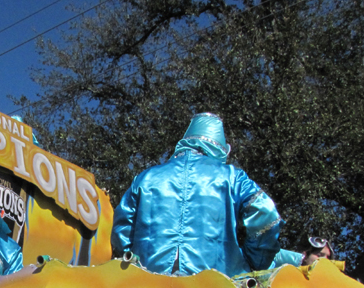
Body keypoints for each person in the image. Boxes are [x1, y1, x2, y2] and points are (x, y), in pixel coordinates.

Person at [111, 112, 282, 277]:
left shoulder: (146, 178)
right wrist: (255, 262)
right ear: (222, 149)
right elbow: (266, 213)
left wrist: (131, 262)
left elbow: (121, 229)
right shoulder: (232, 177)